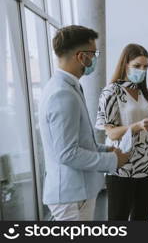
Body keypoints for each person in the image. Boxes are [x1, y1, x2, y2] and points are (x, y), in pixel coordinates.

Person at [39, 25, 129, 221]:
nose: (94, 58)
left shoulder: (66, 87)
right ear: (81, 57)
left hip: (76, 192)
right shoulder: (62, 93)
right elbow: (67, 153)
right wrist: (113, 161)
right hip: (71, 195)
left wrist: (106, 150)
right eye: (93, 53)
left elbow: (78, 141)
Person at [96, 44, 148, 221]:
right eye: (137, 66)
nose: (142, 70)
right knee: (118, 219)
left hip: (147, 166)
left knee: (142, 218)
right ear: (125, 64)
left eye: (145, 67)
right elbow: (111, 134)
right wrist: (138, 125)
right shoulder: (111, 92)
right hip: (121, 168)